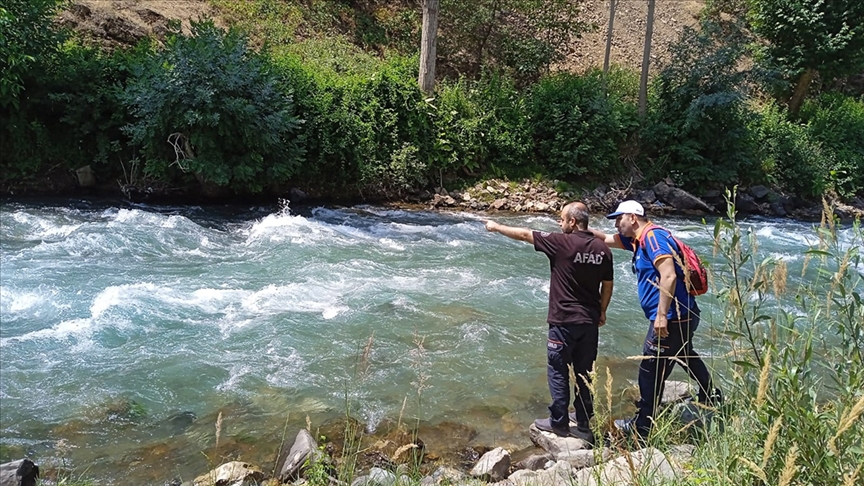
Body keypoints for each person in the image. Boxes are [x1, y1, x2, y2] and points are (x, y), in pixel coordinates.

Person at [589, 200, 720, 438]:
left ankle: (643, 426)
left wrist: (661, 316)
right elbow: (606, 239)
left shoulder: (653, 238)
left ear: (632, 217)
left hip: (673, 318)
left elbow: (668, 276)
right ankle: (711, 395)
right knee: (685, 354)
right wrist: (580, 229)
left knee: (650, 369)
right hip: (683, 315)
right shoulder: (637, 240)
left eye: (619, 219)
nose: (616, 224)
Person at [485, 202, 613, 442]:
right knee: (585, 373)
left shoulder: (561, 242)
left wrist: (496, 226)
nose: (559, 223)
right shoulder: (602, 249)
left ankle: (559, 423)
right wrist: (602, 311)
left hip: (563, 321)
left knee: (558, 370)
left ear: (573, 222)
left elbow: (525, 234)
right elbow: (607, 285)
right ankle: (583, 422)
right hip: (589, 322)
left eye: (562, 219)